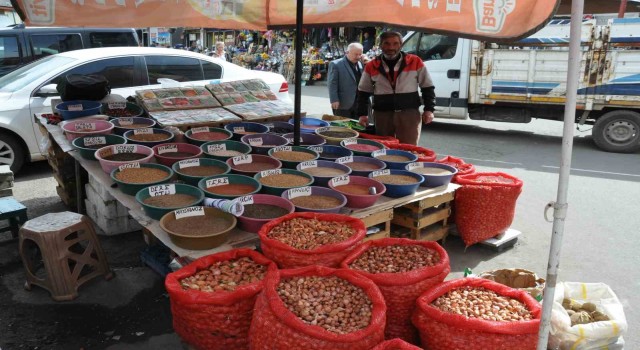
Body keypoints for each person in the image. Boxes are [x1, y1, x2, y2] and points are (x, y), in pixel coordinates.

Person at [356, 31, 435, 145]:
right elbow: (363, 92)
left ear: (401, 44)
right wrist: (362, 114)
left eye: (395, 43)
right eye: (386, 43)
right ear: (380, 45)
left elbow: (427, 86)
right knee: (384, 148)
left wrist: (429, 109)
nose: (391, 47)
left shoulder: (415, 61)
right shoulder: (372, 66)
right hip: (382, 115)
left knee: (409, 148)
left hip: (409, 114)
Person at [327, 42, 366, 120]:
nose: (358, 57)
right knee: (343, 127)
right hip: (343, 103)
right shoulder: (336, 64)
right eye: (356, 54)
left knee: (356, 127)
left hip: (358, 103)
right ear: (347, 52)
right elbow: (332, 83)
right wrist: (334, 99)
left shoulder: (361, 64)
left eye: (360, 54)